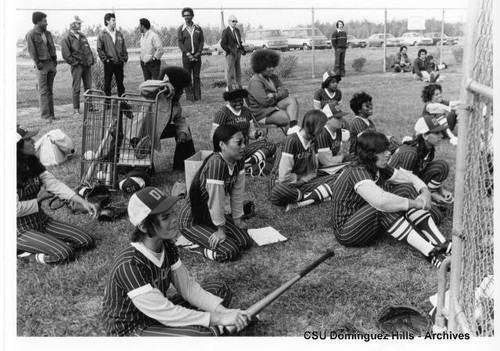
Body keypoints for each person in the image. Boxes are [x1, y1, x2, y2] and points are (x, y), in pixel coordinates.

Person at [102, 186, 250, 336]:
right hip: (131, 329)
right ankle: (210, 330)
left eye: (172, 213)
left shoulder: (167, 245)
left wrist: (224, 312)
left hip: (157, 316)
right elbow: (166, 313)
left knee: (219, 290)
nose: (174, 220)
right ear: (144, 227)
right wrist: (218, 318)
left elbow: (188, 289)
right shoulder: (129, 264)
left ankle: (211, 327)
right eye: (165, 217)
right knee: (202, 335)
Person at [331, 131, 451, 269]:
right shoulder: (357, 171)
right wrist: (415, 203)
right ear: (370, 154)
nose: (388, 153)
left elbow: (408, 178)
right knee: (384, 206)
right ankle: (431, 253)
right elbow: (381, 201)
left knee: (405, 188)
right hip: (347, 231)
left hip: (367, 222)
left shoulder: (376, 166)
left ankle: (441, 243)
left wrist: (425, 192)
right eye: (382, 151)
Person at [16, 127, 97, 264]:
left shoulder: (31, 162)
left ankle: (42, 244)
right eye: (28, 140)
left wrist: (82, 201)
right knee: (64, 254)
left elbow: (54, 184)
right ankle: (27, 257)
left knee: (87, 241)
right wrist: (39, 200)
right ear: (17, 147)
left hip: (40, 220)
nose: (33, 141)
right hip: (18, 229)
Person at [179, 125, 254, 262]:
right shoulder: (216, 164)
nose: (244, 146)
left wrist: (237, 219)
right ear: (222, 145)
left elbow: (237, 193)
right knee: (230, 251)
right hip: (192, 220)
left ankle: (206, 237)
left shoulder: (239, 160)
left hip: (208, 215)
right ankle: (197, 246)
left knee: (246, 241)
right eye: (239, 142)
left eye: (244, 142)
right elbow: (216, 200)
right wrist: (221, 229)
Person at [270, 110, 340, 212]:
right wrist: (298, 177)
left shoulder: (314, 140)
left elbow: (313, 171)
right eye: (321, 127)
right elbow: (283, 177)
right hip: (283, 185)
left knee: (338, 178)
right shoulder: (292, 140)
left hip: (301, 183)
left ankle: (303, 200)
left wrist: (302, 180)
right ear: (313, 126)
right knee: (278, 192)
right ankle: (317, 195)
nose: (323, 130)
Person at [389, 115, 454, 212]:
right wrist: (431, 196)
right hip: (395, 189)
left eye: (441, 132)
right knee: (436, 214)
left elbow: (419, 172)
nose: (441, 135)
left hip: (412, 181)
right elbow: (404, 181)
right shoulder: (410, 153)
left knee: (442, 166)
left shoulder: (428, 149)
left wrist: (441, 191)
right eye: (437, 133)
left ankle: (428, 195)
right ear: (425, 135)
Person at [210, 83, 276, 176]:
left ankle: (245, 165)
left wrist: (257, 133)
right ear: (228, 100)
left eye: (240, 100)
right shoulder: (222, 113)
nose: (238, 103)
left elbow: (250, 132)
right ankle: (249, 166)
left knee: (270, 146)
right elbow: (213, 136)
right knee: (267, 159)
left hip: (244, 150)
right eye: (234, 101)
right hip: (230, 151)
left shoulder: (246, 111)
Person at [247, 49, 300, 135]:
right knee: (288, 117)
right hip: (261, 113)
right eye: (268, 67)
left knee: (292, 100)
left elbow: (285, 92)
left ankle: (293, 129)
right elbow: (264, 102)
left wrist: (274, 95)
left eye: (273, 66)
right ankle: (294, 136)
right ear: (261, 66)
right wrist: (279, 95)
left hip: (273, 106)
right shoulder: (255, 81)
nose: (272, 69)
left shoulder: (273, 77)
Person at [25, 11, 58, 121]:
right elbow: (32, 51)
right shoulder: (31, 35)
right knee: (43, 91)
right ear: (38, 22)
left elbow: (52, 47)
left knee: (50, 91)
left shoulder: (48, 34)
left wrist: (54, 62)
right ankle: (45, 117)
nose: (46, 23)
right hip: (41, 66)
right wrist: (38, 63)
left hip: (50, 65)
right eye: (44, 21)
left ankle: (52, 115)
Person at [61, 15, 94, 116]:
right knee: (76, 87)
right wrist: (75, 63)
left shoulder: (82, 36)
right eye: (78, 23)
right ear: (72, 24)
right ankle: (76, 109)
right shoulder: (66, 38)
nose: (80, 25)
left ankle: (90, 107)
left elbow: (88, 50)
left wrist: (91, 60)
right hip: (77, 66)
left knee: (88, 87)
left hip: (86, 66)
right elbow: (66, 55)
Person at [97, 13, 128, 97]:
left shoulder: (119, 34)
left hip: (119, 62)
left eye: (115, 20)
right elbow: (99, 49)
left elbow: (123, 46)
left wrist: (124, 58)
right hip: (109, 63)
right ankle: (107, 103)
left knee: (120, 84)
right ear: (107, 21)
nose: (115, 22)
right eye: (113, 20)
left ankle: (122, 103)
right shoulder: (102, 34)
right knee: (107, 83)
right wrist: (106, 60)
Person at [177, 7, 204, 101]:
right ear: (183, 17)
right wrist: (188, 54)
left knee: (196, 76)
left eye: (188, 15)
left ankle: (197, 97)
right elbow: (180, 43)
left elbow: (201, 41)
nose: (186, 17)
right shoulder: (181, 29)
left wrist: (198, 53)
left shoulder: (198, 28)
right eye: (185, 15)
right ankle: (190, 97)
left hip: (197, 56)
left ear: (192, 16)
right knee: (187, 77)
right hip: (186, 57)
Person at [317, 102, 351, 168]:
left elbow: (338, 153)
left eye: (341, 117)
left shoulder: (338, 130)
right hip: (320, 170)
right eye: (338, 118)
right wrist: (343, 157)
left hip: (333, 166)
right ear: (327, 120)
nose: (341, 120)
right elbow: (327, 162)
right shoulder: (321, 134)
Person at [220, 15, 245, 85]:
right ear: (229, 22)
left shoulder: (237, 30)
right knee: (230, 72)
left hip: (238, 53)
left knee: (238, 71)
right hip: (230, 55)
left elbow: (239, 42)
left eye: (236, 21)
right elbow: (222, 44)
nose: (235, 23)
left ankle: (239, 87)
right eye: (233, 21)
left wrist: (242, 49)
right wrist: (229, 51)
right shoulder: (225, 31)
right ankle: (230, 88)